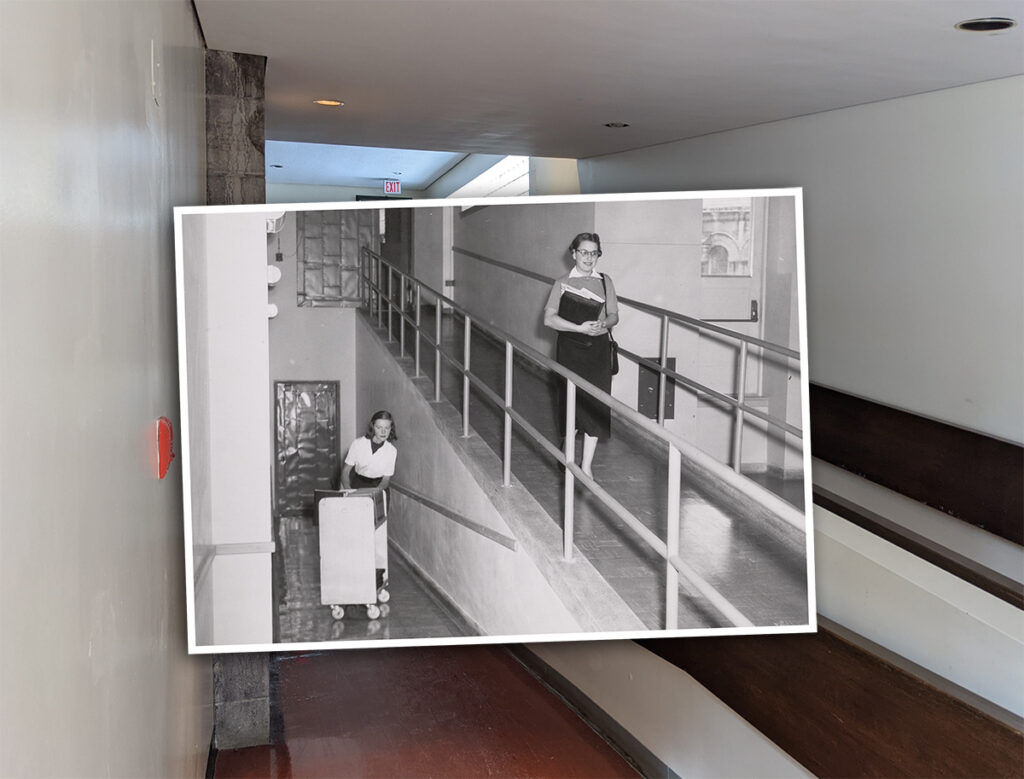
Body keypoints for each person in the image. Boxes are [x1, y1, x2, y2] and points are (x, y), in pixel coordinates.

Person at [543, 233, 619, 477]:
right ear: (573, 253)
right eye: (584, 252)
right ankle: (567, 456)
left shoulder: (605, 281)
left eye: (594, 253)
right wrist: (578, 328)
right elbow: (549, 319)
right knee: (571, 405)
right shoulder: (562, 283)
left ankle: (586, 467)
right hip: (571, 351)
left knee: (595, 406)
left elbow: (614, 315)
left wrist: (604, 324)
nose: (589, 257)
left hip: (597, 352)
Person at [341, 410, 398, 491]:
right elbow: (345, 471)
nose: (383, 431)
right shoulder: (358, 443)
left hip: (379, 488)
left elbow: (386, 479)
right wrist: (348, 490)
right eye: (379, 427)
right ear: (372, 427)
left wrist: (376, 492)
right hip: (358, 485)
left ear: (391, 429)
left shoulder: (392, 450)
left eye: (387, 428)